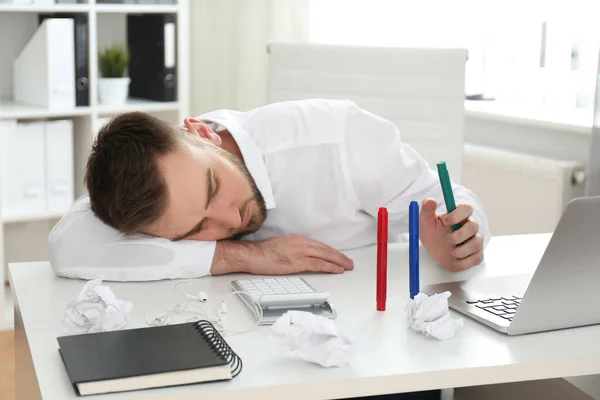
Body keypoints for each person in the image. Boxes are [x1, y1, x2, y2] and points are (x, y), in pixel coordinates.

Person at [48, 98, 490, 281]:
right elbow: (67, 246)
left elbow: (454, 201)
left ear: (202, 132)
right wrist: (250, 255)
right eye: (196, 229)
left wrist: (457, 241)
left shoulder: (338, 137)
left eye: (213, 188)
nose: (228, 222)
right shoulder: (152, 184)